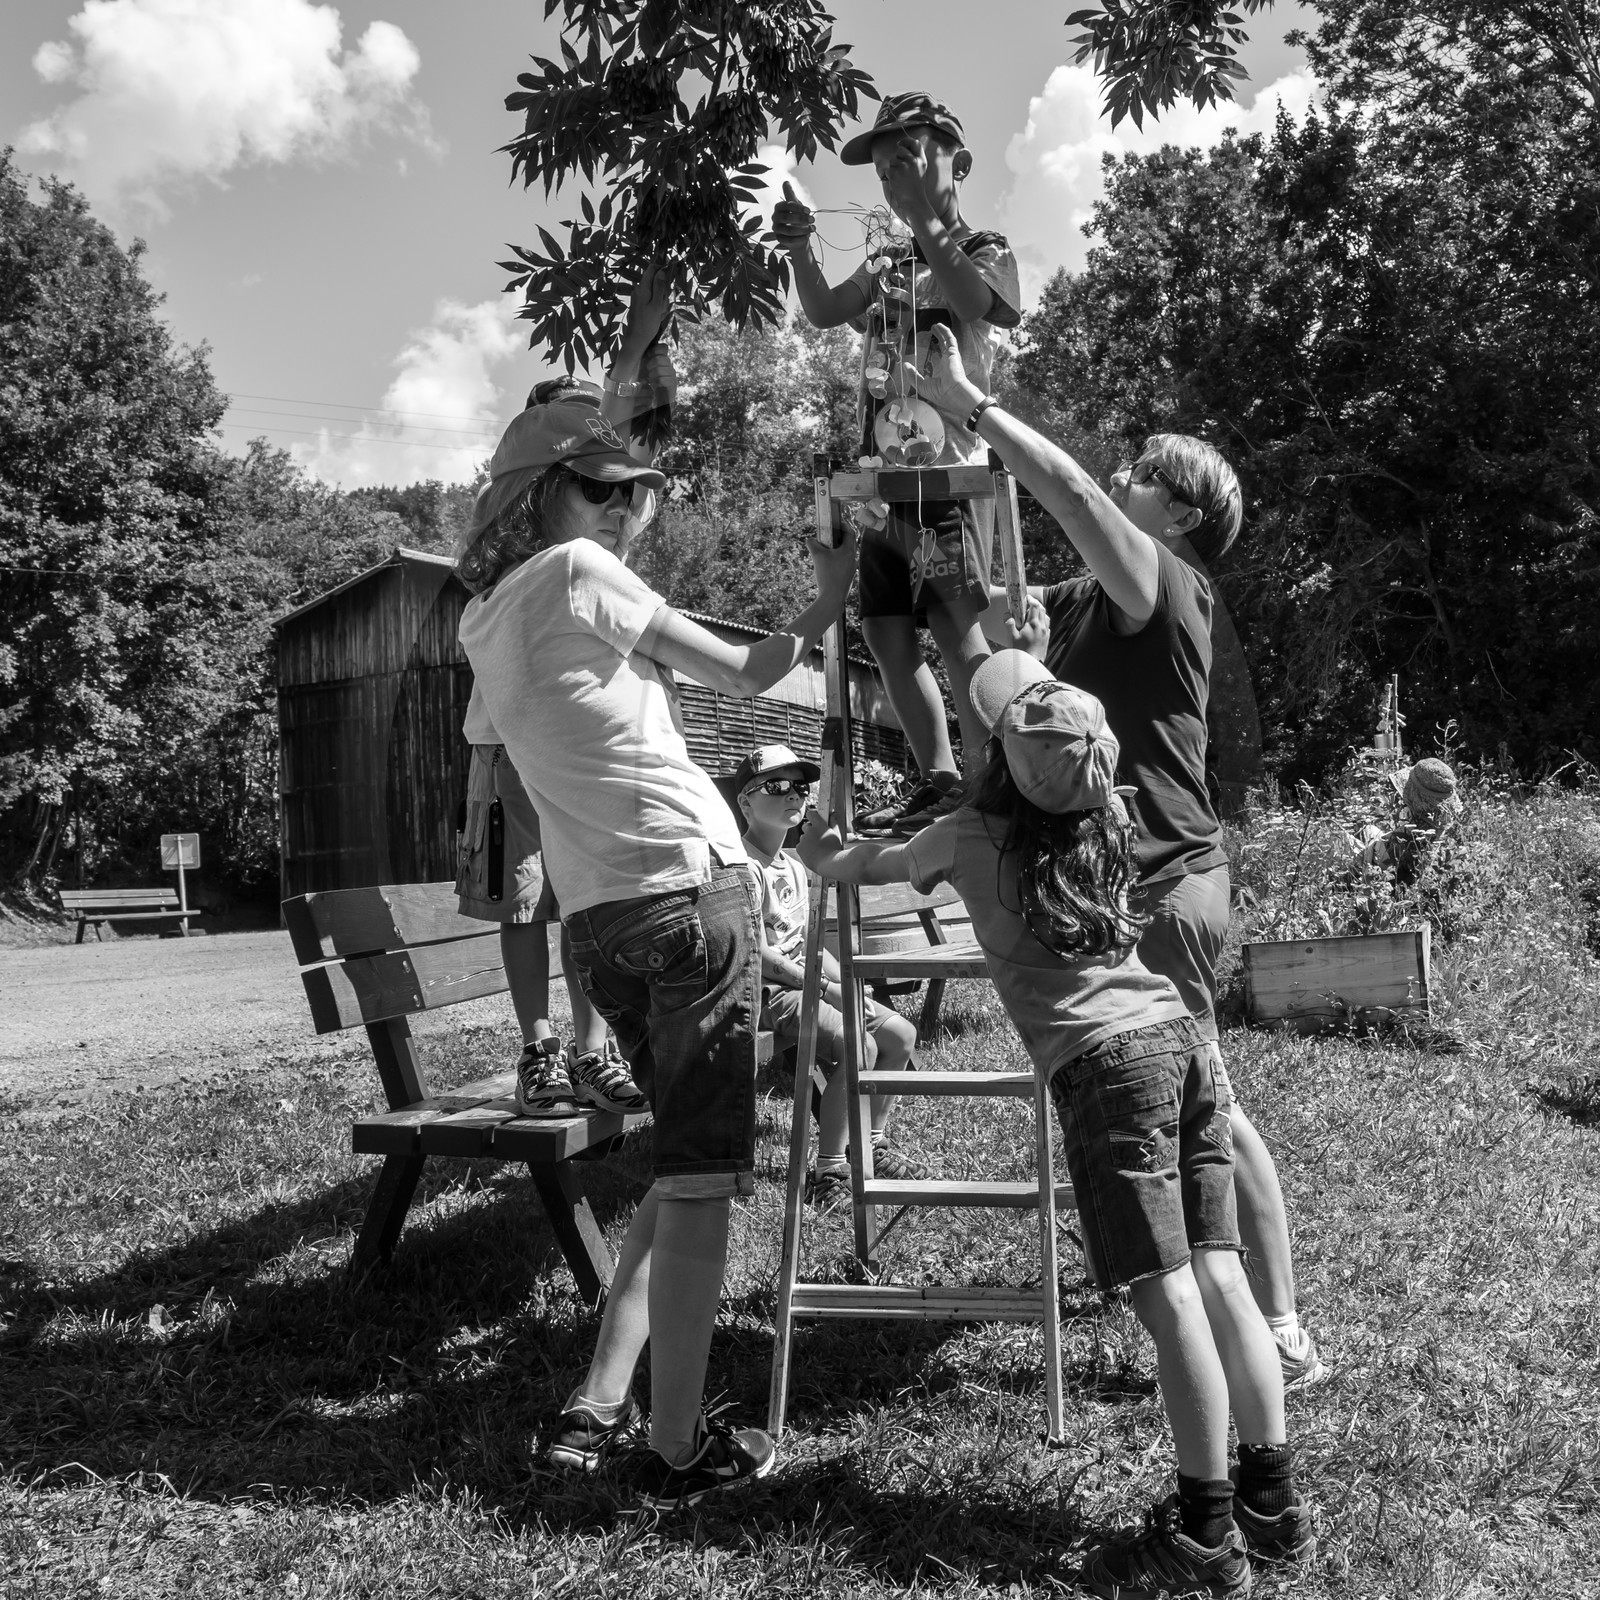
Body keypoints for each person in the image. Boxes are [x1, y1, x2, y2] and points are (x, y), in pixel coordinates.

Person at [456, 283, 858, 1509]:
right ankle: (677, 1447)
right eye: (600, 490)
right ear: (543, 496)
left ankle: (597, 1404)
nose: (621, 511)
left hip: (602, 926)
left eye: (627, 493)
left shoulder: (481, 620)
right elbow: (754, 670)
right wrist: (833, 586)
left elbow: (511, 773)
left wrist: (585, 845)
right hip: (690, 898)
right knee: (699, 1186)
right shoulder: (582, 571)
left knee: (679, 1171)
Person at [800, 651, 1313, 1597]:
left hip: (1111, 1070)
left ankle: (1204, 1534)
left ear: (997, 751)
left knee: (1168, 1298)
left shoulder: (964, 834)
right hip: (1183, 1040)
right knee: (1220, 1274)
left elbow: (862, 864)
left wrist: (814, 848)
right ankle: (1270, 1501)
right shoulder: (1110, 816)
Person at [916, 321, 1325, 1391]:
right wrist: (941, 492)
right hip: (1119, 885)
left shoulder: (1169, 583)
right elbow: (987, 642)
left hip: (1169, 877)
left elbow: (1067, 494)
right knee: (1182, 1100)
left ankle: (1279, 1325)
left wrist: (972, 403)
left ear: (1177, 514)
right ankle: (1213, 1294)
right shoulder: (1091, 603)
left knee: (1208, 1104)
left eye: (1143, 472)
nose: (1123, 475)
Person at [770, 91, 1021, 834]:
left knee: (955, 626)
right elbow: (825, 310)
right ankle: (942, 779)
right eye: (884, 172)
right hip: (882, 487)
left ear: (959, 164)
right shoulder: (886, 264)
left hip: (949, 478)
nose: (893, 179)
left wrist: (922, 219)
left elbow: (974, 302)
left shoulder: (984, 249)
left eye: (909, 159)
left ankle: (989, 780)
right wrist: (799, 249)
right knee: (884, 632)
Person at [454, 382, 650, 1122]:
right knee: (525, 903)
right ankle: (539, 1051)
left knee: (583, 902)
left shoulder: (603, 543)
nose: (615, 502)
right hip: (504, 747)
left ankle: (592, 1051)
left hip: (575, 750)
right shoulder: (512, 540)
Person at [727, 742, 924, 1208]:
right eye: (777, 786)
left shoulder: (795, 866)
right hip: (769, 993)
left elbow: (810, 942)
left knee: (901, 1035)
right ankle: (829, 1171)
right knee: (861, 1045)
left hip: (808, 982)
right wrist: (828, 988)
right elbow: (757, 955)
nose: (794, 795)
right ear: (745, 803)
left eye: (800, 787)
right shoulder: (742, 868)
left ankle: (868, 1146)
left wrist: (848, 981)